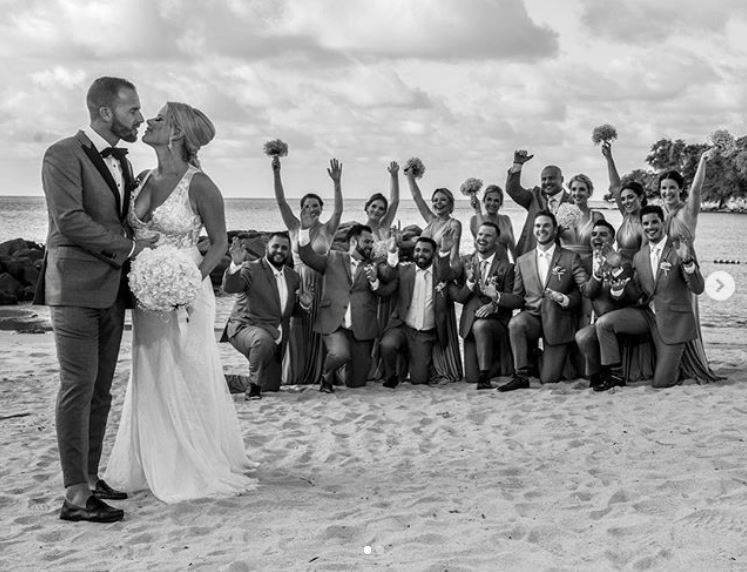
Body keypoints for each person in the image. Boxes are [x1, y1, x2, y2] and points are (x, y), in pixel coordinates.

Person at [105, 102, 256, 503]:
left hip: (187, 291)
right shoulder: (140, 178)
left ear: (175, 133)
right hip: (148, 290)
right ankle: (151, 461)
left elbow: (220, 243)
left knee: (186, 371)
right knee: (150, 372)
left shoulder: (200, 184)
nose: (148, 122)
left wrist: (188, 285)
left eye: (158, 118)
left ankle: (190, 461)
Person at [34, 77, 155, 522]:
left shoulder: (123, 163)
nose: (140, 119)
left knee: (101, 391)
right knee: (77, 386)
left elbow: (121, 217)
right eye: (133, 111)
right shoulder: (62, 154)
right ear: (105, 112)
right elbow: (69, 222)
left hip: (112, 288)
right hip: (74, 290)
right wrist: (130, 248)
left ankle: (89, 475)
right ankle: (74, 496)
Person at [595, 206, 705, 388]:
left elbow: (698, 287)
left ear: (663, 223)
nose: (650, 226)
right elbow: (635, 293)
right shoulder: (639, 256)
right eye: (645, 223)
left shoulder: (679, 249)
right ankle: (614, 375)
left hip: (673, 320)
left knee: (662, 382)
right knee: (603, 324)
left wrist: (687, 261)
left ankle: (679, 366)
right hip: (646, 315)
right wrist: (617, 270)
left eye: (654, 222)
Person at [298, 218, 395, 391]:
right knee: (340, 353)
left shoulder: (373, 265)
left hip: (362, 328)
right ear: (352, 241)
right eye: (366, 241)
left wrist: (374, 281)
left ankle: (342, 372)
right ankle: (326, 376)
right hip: (334, 323)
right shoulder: (332, 257)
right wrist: (304, 231)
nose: (370, 245)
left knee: (356, 383)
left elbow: (386, 289)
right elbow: (308, 257)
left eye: (372, 242)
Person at [272, 155, 343, 385]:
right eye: (306, 206)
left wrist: (336, 182)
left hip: (322, 284)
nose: (310, 209)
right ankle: (294, 374)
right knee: (296, 330)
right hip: (299, 283)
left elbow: (339, 211)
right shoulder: (294, 227)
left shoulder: (327, 230)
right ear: (300, 209)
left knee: (319, 331)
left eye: (315, 205)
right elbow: (281, 201)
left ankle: (318, 375)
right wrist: (276, 173)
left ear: (321, 209)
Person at [498, 211, 587, 391]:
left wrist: (565, 299)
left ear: (555, 230)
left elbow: (582, 291)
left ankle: (538, 357)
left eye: (546, 225)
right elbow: (517, 297)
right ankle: (521, 375)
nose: (541, 229)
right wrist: (497, 296)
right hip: (533, 318)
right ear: (533, 230)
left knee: (549, 380)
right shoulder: (522, 261)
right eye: (538, 226)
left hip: (559, 320)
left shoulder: (570, 258)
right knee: (516, 323)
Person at [221, 234, 312, 400]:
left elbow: (287, 312)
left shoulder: (293, 277)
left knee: (271, 386)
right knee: (262, 340)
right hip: (245, 328)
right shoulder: (250, 268)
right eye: (275, 246)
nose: (279, 251)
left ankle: (224, 381)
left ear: (288, 252)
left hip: (277, 337)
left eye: (284, 248)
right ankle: (254, 387)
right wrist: (235, 264)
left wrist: (305, 305)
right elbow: (230, 287)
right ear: (266, 248)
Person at [657, 157, 721, 383]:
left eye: (672, 188)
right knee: (665, 315)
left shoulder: (688, 211)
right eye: (663, 188)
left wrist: (703, 159)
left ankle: (692, 364)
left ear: (679, 189)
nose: (667, 192)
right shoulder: (658, 215)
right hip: (663, 270)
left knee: (685, 315)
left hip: (685, 268)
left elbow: (697, 188)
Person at [574, 220, 651, 390]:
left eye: (603, 234)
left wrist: (617, 285)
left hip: (625, 315)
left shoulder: (625, 261)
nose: (597, 238)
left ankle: (616, 376)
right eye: (594, 234)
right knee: (583, 337)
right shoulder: (584, 263)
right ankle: (596, 376)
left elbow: (632, 296)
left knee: (604, 323)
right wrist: (597, 274)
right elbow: (587, 291)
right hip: (601, 320)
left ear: (613, 238)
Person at [404, 170, 463, 382]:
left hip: (440, 274)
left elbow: (453, 253)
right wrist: (409, 176)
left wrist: (449, 273)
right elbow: (417, 198)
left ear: (451, 204)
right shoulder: (430, 220)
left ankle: (443, 368)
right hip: (423, 273)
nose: (438, 203)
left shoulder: (454, 224)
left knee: (439, 322)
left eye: (443, 200)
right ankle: (424, 367)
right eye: (436, 200)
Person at [447, 222, 516, 390]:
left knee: (481, 325)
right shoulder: (464, 263)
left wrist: (495, 304)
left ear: (497, 240)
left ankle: (485, 377)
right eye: (480, 234)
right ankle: (497, 365)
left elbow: (515, 300)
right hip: (470, 325)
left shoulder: (506, 267)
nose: (482, 238)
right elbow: (459, 297)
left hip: (496, 324)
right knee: (470, 378)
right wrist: (469, 283)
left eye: (488, 235)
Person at [378, 234, 451, 388]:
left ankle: (419, 359)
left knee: (419, 380)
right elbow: (386, 277)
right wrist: (392, 252)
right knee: (387, 345)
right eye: (417, 250)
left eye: (425, 251)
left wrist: (445, 251)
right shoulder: (404, 270)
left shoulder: (441, 274)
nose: (420, 254)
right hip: (402, 327)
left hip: (424, 334)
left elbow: (451, 271)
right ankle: (391, 376)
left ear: (433, 253)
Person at [506, 149, 572, 255]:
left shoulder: (571, 202)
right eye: (544, 179)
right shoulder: (535, 196)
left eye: (551, 178)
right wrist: (517, 165)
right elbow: (513, 190)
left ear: (562, 179)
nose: (547, 182)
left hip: (558, 260)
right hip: (530, 255)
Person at [601, 142, 646, 260]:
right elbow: (616, 187)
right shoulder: (626, 215)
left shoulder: (647, 223)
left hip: (635, 271)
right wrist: (609, 158)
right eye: (623, 199)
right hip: (619, 268)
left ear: (640, 197)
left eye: (631, 197)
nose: (626, 202)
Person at [560, 173, 605, 263]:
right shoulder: (561, 215)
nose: (577, 193)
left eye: (582, 189)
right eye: (573, 189)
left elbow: (602, 247)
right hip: (564, 266)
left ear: (589, 193)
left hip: (588, 265)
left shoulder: (596, 217)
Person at [468, 185, 517, 261]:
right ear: (484, 201)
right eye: (489, 199)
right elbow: (484, 237)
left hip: (503, 265)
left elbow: (512, 246)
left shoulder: (506, 219)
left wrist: (517, 265)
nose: (492, 203)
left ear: (500, 203)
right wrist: (478, 210)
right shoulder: (475, 219)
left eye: (496, 200)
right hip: (484, 264)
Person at [364, 161, 401, 243]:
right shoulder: (361, 231)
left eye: (381, 208)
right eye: (373, 206)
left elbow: (395, 201)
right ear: (367, 207)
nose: (376, 210)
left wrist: (394, 176)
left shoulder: (384, 226)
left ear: (384, 212)